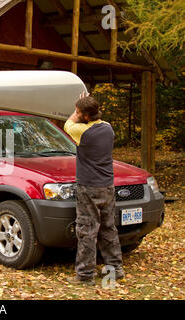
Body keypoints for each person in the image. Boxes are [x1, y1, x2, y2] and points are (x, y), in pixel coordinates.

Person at [64, 92, 124, 285]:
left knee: (87, 230)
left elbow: (68, 124)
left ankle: (85, 275)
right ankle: (116, 268)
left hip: (88, 187)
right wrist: (86, 103)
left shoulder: (82, 132)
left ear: (86, 116)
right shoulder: (108, 128)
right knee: (108, 228)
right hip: (107, 186)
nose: (77, 113)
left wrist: (78, 109)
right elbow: (92, 116)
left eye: (79, 112)